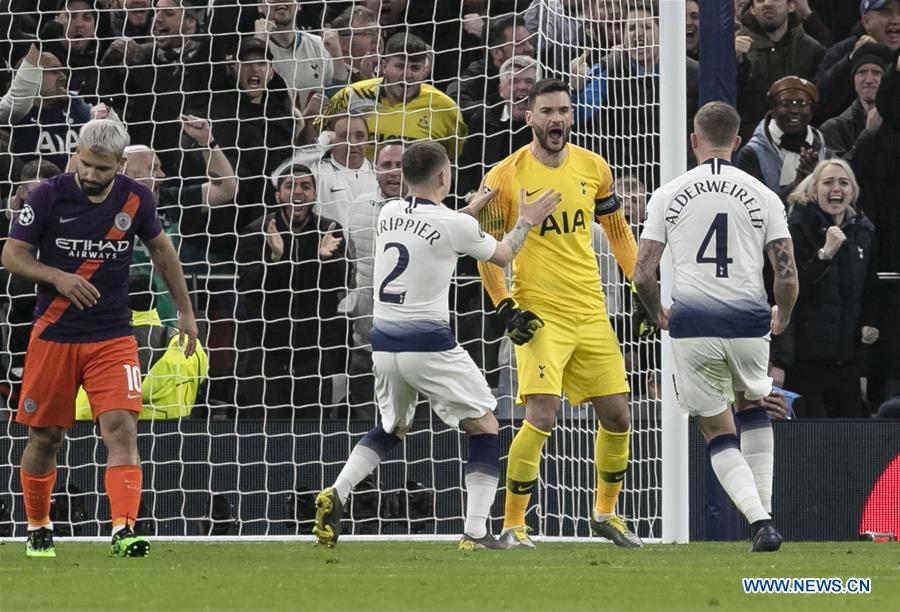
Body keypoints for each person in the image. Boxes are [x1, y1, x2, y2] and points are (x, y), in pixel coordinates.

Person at [313, 140, 560, 550]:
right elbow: (502, 255)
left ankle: (337, 492)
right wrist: (527, 219)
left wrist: (469, 212)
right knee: (485, 425)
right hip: (428, 344)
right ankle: (477, 531)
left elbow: (433, 233)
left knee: (392, 426)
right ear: (444, 177)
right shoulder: (454, 225)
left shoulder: (389, 213)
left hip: (384, 343)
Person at [1, 119, 198, 558]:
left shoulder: (136, 198)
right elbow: (12, 255)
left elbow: (162, 251)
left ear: (121, 164)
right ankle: (37, 526)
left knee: (122, 428)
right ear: (76, 154)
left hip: (112, 335)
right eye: (86, 164)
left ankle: (123, 529)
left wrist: (186, 313)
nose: (90, 175)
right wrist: (60, 278)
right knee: (46, 436)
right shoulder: (47, 195)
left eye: (102, 169)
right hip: (54, 334)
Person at [476, 78, 644, 549]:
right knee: (543, 416)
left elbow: (619, 234)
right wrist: (505, 306)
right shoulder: (504, 175)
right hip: (540, 311)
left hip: (591, 310)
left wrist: (640, 291)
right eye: (547, 111)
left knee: (618, 417)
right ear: (528, 117)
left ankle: (606, 514)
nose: (556, 120)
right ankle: (513, 524)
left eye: (564, 111)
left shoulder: (595, 167)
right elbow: (486, 250)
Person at [633, 101, 799, 552]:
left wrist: (655, 312)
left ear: (694, 141)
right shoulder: (764, 195)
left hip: (694, 324)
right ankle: (764, 518)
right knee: (753, 407)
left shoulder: (669, 193)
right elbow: (785, 273)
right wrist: (781, 315)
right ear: (739, 142)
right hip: (749, 321)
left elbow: (643, 273)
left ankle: (759, 518)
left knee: (716, 430)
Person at [235, 164, 347, 419]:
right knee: (261, 430)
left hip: (312, 354)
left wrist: (323, 259)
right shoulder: (256, 231)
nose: (298, 192)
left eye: (305, 186)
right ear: (278, 195)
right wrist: (276, 259)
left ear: (315, 194)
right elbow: (248, 286)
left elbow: (341, 283)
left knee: (311, 433)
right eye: (290, 186)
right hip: (265, 353)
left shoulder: (329, 230)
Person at [781, 160, 879, 418]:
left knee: (853, 438)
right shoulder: (798, 227)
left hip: (847, 357)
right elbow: (791, 289)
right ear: (813, 191)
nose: (836, 189)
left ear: (853, 191)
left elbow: (870, 285)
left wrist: (870, 321)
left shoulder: (864, 231)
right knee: (814, 441)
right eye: (828, 182)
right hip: (806, 358)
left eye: (843, 183)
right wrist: (825, 254)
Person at [323, 33, 468, 161]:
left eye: (415, 68)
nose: (407, 75)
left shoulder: (444, 108)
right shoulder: (351, 95)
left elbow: (453, 160)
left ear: (425, 69)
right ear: (384, 66)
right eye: (400, 66)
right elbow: (319, 136)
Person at [737, 76, 830, 203]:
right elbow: (754, 209)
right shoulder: (752, 154)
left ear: (812, 110)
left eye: (802, 104)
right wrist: (797, 184)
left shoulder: (823, 150)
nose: (794, 110)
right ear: (773, 109)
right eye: (786, 104)